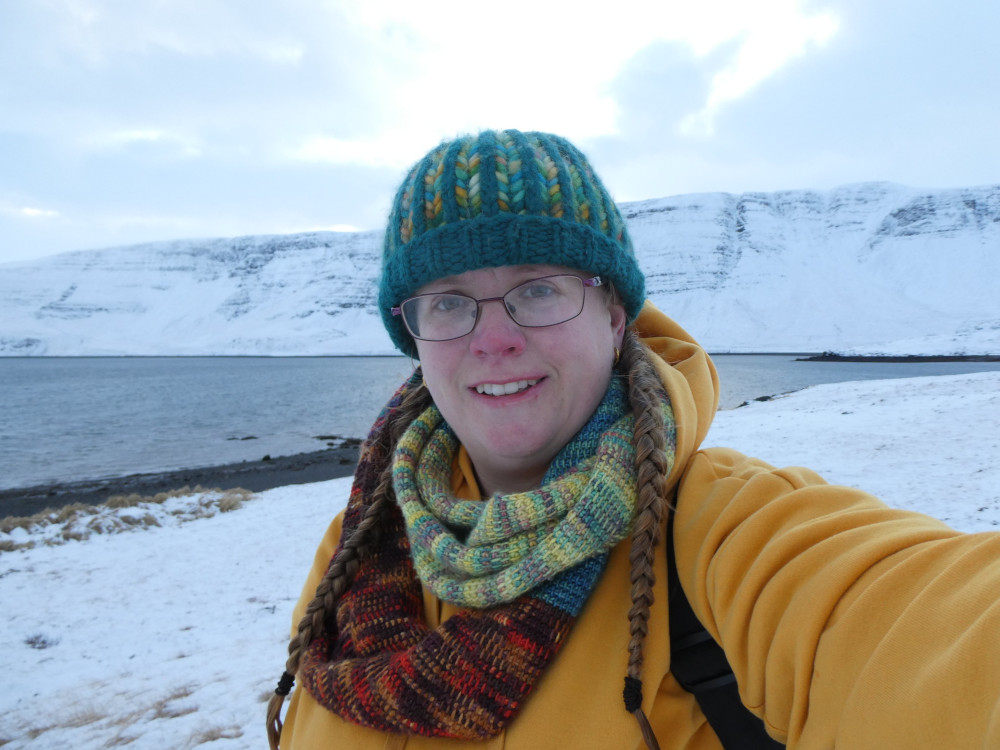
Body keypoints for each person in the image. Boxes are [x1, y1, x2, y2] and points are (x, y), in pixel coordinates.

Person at [266, 129, 1000, 749]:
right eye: (449, 302)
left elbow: (925, 630)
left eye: (539, 288)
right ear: (414, 336)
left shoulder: (715, 530)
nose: (494, 338)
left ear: (614, 316)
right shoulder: (358, 545)